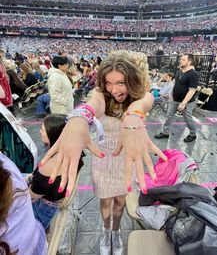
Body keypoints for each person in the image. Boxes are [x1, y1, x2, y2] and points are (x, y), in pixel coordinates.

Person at [40, 50, 167, 255]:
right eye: (109, 82)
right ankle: (105, 229)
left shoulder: (140, 95)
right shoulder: (100, 94)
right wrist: (79, 117)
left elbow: (145, 101)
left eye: (120, 82)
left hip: (126, 161)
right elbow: (93, 105)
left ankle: (115, 232)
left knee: (120, 201)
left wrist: (134, 114)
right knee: (105, 201)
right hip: (103, 158)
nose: (114, 89)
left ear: (131, 80)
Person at [26, 114, 84, 229]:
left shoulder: (50, 165)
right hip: (53, 198)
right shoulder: (74, 151)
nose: (40, 132)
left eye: (43, 129)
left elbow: (30, 198)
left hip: (41, 210)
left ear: (54, 134)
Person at [0, 152, 47, 255]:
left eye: (45, 133)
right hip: (37, 240)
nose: (41, 134)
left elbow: (31, 196)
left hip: (41, 216)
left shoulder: (48, 166)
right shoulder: (6, 164)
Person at [155, 54, 199, 142]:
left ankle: (193, 134)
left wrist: (183, 103)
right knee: (169, 115)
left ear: (189, 62)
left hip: (187, 101)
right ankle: (165, 132)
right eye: (181, 59)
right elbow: (176, 84)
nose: (180, 61)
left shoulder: (194, 74)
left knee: (187, 117)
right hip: (174, 99)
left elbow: (192, 90)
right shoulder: (179, 71)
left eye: (183, 59)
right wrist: (172, 94)